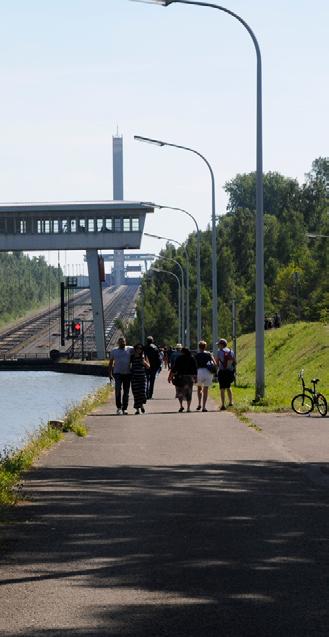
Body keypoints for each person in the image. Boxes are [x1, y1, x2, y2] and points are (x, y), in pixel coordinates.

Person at [108, 336, 134, 415]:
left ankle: (125, 408)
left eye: (123, 341)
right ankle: (119, 407)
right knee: (118, 390)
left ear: (126, 342)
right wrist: (110, 374)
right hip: (117, 373)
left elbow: (139, 351)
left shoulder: (130, 349)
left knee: (126, 392)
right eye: (120, 341)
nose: (122, 343)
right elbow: (111, 363)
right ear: (118, 343)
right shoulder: (114, 351)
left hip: (127, 374)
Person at [168, 346, 197, 413]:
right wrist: (195, 378)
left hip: (180, 377)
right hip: (189, 378)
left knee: (180, 392)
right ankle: (188, 408)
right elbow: (195, 369)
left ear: (182, 352)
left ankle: (181, 406)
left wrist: (170, 377)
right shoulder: (192, 358)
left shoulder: (179, 358)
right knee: (189, 393)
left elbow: (174, 368)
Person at [194, 340, 217, 412]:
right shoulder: (209, 354)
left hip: (199, 372)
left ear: (199, 347)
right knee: (206, 389)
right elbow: (215, 363)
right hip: (207, 372)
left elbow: (194, 365)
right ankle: (204, 407)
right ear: (205, 347)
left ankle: (199, 404)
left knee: (199, 388)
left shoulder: (196, 355)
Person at [215, 338, 236, 411]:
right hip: (229, 372)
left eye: (219, 345)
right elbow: (235, 361)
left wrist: (218, 368)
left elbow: (217, 362)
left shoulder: (219, 352)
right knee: (228, 387)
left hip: (222, 371)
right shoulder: (231, 351)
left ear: (221, 345)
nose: (218, 346)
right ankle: (231, 402)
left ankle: (223, 404)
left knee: (222, 388)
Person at [130, 343, 150, 415]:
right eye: (138, 348)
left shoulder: (144, 357)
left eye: (141, 348)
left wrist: (144, 362)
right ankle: (137, 410)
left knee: (143, 393)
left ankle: (141, 405)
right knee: (136, 394)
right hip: (134, 378)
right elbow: (129, 366)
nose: (139, 350)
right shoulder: (132, 357)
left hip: (142, 377)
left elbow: (148, 366)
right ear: (135, 349)